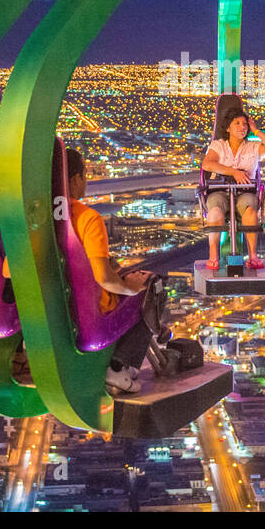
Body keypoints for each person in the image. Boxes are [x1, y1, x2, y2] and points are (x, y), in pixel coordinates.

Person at [62, 147, 168, 395]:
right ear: (77, 178)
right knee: (153, 288)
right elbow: (102, 277)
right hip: (90, 317)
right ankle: (119, 366)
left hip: (56, 311)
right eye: (85, 175)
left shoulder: (37, 218)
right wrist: (129, 287)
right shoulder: (88, 219)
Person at [200, 107, 265, 271]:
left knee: (250, 211)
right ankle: (213, 254)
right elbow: (208, 164)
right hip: (219, 190)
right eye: (237, 123)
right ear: (228, 127)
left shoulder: (253, 147)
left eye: (244, 124)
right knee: (215, 211)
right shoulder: (218, 145)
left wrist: (256, 130)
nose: (242, 127)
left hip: (244, 192)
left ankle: (252, 255)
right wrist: (234, 172)